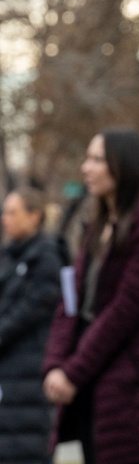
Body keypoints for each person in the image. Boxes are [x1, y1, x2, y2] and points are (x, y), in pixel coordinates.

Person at [43, 129, 139, 464]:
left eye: (98, 159)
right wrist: (55, 365)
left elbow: (124, 312)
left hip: (127, 384)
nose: (86, 168)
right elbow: (71, 302)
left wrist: (73, 372)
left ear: (125, 166)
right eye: (88, 158)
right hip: (90, 374)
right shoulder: (97, 222)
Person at [0, 186, 63, 464]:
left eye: (13, 212)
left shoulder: (46, 258)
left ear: (35, 216)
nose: (5, 218)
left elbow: (24, 313)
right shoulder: (9, 256)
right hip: (10, 376)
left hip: (30, 374)